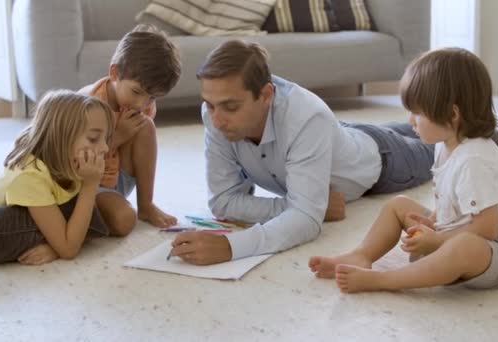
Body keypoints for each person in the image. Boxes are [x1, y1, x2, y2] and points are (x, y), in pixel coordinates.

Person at [168, 40, 436, 265]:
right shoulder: (216, 114)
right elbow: (223, 201)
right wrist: (303, 207)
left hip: (385, 162)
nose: (216, 120)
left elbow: (306, 221)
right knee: (408, 125)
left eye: (230, 107)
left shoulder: (306, 117)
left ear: (266, 95)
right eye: (210, 105)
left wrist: (230, 246)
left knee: (443, 137)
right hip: (338, 135)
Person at [308, 48, 498, 293]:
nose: (410, 120)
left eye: (418, 112)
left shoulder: (475, 159)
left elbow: (487, 228)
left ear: (453, 115)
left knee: (465, 245)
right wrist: (432, 220)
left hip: (496, 251)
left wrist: (436, 239)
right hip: (454, 231)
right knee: (398, 205)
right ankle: (361, 255)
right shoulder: (444, 145)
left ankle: (385, 280)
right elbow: (450, 198)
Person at [0, 90, 114, 265]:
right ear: (59, 138)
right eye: (93, 139)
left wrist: (54, 247)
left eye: (105, 139)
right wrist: (90, 185)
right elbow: (69, 249)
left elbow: (85, 219)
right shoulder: (30, 177)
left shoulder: (69, 161)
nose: (105, 148)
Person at [79, 24, 182, 233]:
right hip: (83, 185)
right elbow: (75, 161)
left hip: (115, 178)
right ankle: (77, 218)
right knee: (124, 220)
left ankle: (146, 205)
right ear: (114, 73)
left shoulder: (142, 103)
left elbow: (142, 144)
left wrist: (127, 135)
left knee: (146, 127)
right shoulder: (90, 105)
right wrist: (117, 136)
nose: (142, 104)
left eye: (152, 97)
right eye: (136, 92)